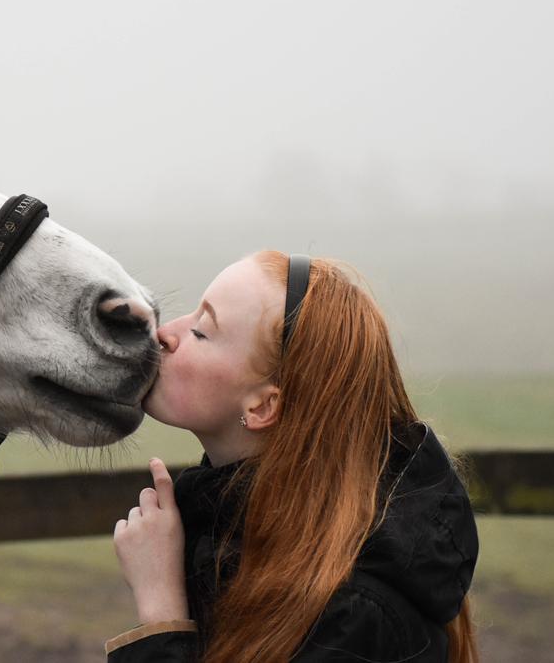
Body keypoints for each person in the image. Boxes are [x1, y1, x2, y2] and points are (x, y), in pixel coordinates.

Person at [106, 251, 479, 662]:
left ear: (262, 407)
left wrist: (161, 611)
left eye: (202, 331)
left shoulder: (353, 618)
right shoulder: (234, 537)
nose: (164, 334)